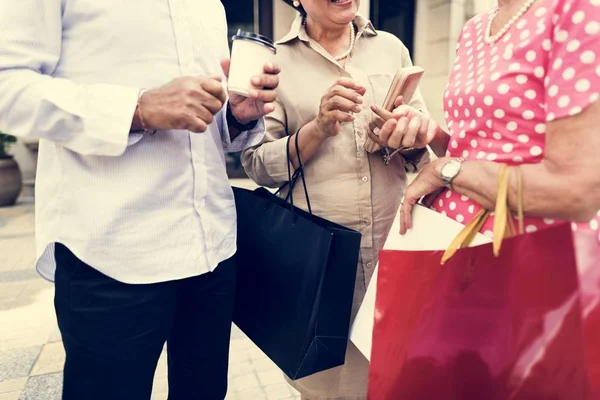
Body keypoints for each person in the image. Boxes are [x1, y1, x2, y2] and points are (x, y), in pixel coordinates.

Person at [0, 1, 280, 399]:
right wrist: (137, 107)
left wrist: (238, 114)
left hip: (212, 250)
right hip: (112, 255)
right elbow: (7, 86)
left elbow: (208, 131)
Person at [370, 0, 600, 395]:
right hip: (457, 251)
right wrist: (429, 136)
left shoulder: (573, 12)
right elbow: (471, 145)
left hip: (531, 256)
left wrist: (447, 171)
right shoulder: (476, 27)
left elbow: (578, 190)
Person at [241, 1, 437, 398]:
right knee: (330, 388)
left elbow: (422, 150)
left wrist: (410, 136)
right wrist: (318, 127)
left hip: (393, 255)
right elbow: (257, 164)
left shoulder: (391, 48)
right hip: (319, 270)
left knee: (404, 380)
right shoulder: (275, 62)